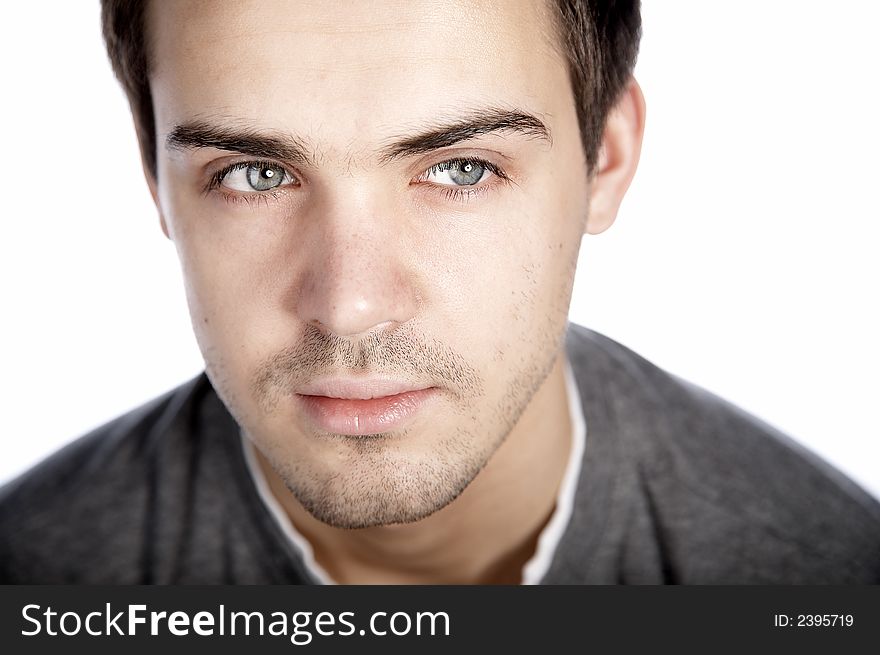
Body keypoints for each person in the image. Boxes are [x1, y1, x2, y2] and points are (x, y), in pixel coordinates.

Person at [1, 0, 878, 585]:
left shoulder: (828, 572)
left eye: (460, 168)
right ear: (155, 178)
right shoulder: (33, 571)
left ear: (603, 160)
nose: (349, 305)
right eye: (256, 173)